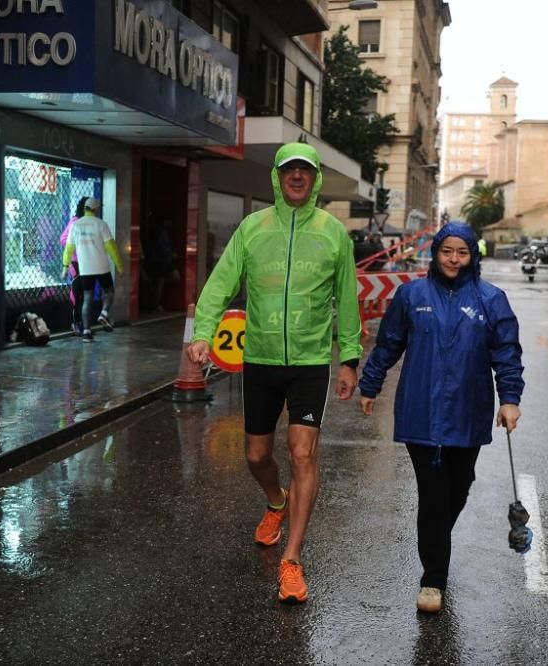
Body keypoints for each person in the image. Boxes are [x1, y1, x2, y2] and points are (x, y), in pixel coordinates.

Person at [186, 143, 362, 604]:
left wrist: (349, 358)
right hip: (260, 359)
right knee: (255, 457)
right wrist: (204, 331)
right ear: (278, 178)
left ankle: (292, 560)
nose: (297, 177)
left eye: (305, 170)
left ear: (317, 177)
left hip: (308, 362)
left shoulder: (332, 233)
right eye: (290, 170)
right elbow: (220, 284)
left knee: (302, 454)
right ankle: (276, 502)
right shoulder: (253, 228)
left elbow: (347, 299)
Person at [357, 222, 524, 614]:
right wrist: (370, 383)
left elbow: (506, 353)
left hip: (469, 412)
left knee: (459, 487)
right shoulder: (412, 295)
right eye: (447, 251)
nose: (453, 259)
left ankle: (434, 540)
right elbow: (389, 343)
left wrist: (510, 399)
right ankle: (433, 579)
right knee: (433, 496)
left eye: (462, 252)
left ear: (472, 256)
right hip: (420, 412)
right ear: (436, 252)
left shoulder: (491, 299)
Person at [61, 197, 123, 342]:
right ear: (96, 209)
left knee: (87, 298)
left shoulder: (76, 225)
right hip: (101, 267)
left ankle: (87, 332)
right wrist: (119, 265)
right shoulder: (101, 224)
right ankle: (104, 313)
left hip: (85, 268)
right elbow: (111, 247)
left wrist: (65, 266)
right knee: (109, 291)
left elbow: (68, 248)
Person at [59, 197, 89, 335]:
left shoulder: (88, 223)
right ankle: (75, 323)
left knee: (83, 293)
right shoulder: (75, 222)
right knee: (77, 293)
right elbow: (63, 239)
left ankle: (82, 323)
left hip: (86, 262)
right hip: (76, 262)